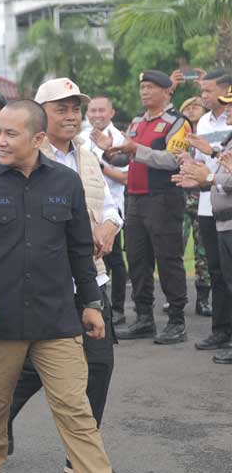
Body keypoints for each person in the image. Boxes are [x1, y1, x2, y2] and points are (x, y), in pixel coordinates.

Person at [0, 99, 140, 473]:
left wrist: (90, 302)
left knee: (77, 410)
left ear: (37, 139)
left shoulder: (66, 184)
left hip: (58, 319)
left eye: (11, 133)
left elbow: (79, 251)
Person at [7, 79, 123, 473]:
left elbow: (109, 206)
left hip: (92, 281)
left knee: (100, 365)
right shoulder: (23, 160)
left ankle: (81, 455)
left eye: (75, 108)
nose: (72, 115)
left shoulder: (87, 156)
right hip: (45, 284)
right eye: (62, 108)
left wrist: (109, 227)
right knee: (33, 369)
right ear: (40, 116)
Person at [97, 70, 192, 344]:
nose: (145, 92)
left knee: (168, 259)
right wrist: (108, 152)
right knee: (137, 260)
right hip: (135, 198)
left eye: (151, 87)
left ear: (166, 91)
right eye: (143, 88)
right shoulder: (137, 122)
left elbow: (173, 160)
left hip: (162, 198)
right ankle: (144, 317)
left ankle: (177, 320)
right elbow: (126, 160)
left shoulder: (177, 122)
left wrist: (135, 149)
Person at [175, 82, 232, 364]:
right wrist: (196, 161)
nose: (205, 96)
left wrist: (208, 172)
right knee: (218, 272)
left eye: (211, 91)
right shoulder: (203, 122)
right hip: (211, 207)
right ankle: (221, 331)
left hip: (224, 205)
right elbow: (216, 165)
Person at [86, 96, 130, 325]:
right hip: (86, 210)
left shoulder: (120, 138)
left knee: (114, 261)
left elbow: (124, 177)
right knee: (91, 258)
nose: (97, 114)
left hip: (111, 210)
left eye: (102, 110)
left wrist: (99, 164)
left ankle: (119, 308)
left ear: (112, 113)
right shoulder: (81, 137)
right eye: (92, 110)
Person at [177, 95, 213, 317]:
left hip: (203, 200)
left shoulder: (210, 135)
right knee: (175, 250)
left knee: (203, 253)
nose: (191, 110)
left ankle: (203, 299)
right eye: (187, 107)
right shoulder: (178, 134)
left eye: (196, 106)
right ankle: (177, 297)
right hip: (180, 200)